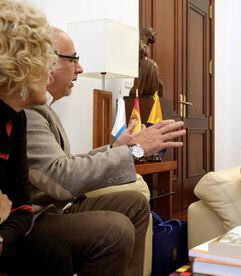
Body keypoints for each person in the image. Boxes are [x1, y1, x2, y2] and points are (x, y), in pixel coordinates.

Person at [24, 27, 186, 276]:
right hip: (33, 217)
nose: (80, 69)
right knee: (115, 228)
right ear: (48, 60)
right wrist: (134, 149)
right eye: (74, 59)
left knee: (135, 203)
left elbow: (63, 163)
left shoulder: (42, 108)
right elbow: (61, 178)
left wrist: (114, 148)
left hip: (57, 205)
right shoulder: (27, 109)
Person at [0, 0, 73, 275]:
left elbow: (20, 208)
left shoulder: (16, 119)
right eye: (43, 57)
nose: (50, 68)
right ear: (16, 63)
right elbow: (3, 210)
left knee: (53, 254)